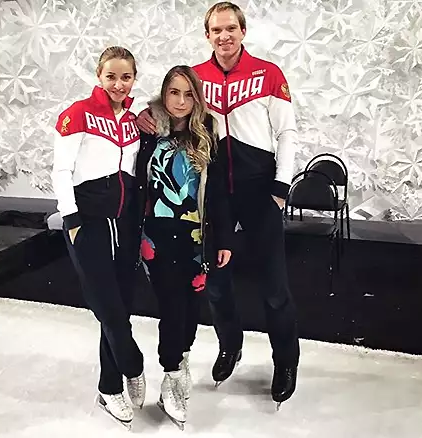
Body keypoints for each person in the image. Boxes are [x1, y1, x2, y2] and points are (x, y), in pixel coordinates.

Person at [136, 2, 300, 409]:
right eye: (216, 30)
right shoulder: (197, 78)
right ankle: (230, 345)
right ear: (207, 35)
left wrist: (280, 188)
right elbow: (168, 105)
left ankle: (286, 361)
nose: (224, 36)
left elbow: (287, 133)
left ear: (242, 31)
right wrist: (144, 114)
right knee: (215, 281)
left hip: (259, 190)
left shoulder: (268, 74)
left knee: (273, 285)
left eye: (231, 28)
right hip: (211, 197)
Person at [51, 46, 146, 429]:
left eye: (126, 77)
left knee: (121, 302)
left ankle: (109, 387)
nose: (118, 84)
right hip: (87, 221)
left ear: (133, 79)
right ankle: (132, 363)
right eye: (111, 76)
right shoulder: (78, 113)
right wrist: (71, 218)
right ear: (98, 75)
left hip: (124, 223)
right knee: (106, 304)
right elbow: (61, 169)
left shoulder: (134, 120)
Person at [135, 65, 233, 428]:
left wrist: (224, 239)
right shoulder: (148, 131)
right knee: (172, 306)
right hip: (157, 237)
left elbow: (219, 192)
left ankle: (182, 356)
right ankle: (171, 375)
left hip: (195, 238)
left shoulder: (207, 133)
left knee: (191, 306)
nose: (180, 101)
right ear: (164, 95)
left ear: (197, 98)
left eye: (188, 94)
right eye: (173, 93)